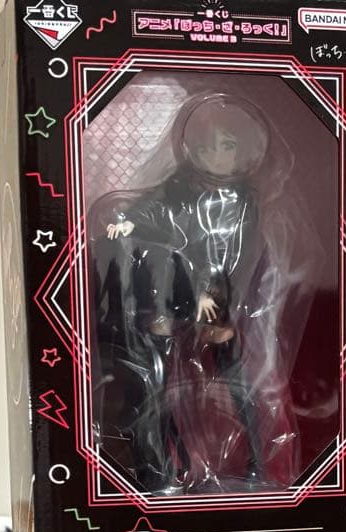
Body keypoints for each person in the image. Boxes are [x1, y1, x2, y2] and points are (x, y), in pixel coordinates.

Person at [100, 93, 300, 494]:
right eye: (208, 148)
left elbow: (234, 259)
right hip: (169, 292)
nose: (216, 156)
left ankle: (258, 461)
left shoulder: (243, 201)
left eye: (226, 146)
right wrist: (126, 224)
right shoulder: (179, 188)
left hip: (214, 296)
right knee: (154, 376)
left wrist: (213, 297)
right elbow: (150, 212)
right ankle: (157, 468)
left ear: (243, 152)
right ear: (192, 150)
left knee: (232, 373)